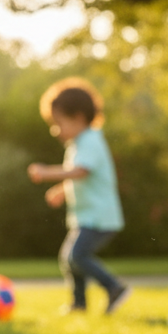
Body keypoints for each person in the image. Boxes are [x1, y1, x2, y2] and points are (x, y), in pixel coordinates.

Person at [27, 78, 129, 314]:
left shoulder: (90, 140)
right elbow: (79, 173)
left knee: (76, 256)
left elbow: (81, 171)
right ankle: (79, 303)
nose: (55, 129)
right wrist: (62, 190)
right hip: (86, 215)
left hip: (99, 215)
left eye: (58, 122)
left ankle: (114, 287)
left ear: (79, 118)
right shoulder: (78, 144)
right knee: (70, 259)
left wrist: (46, 173)